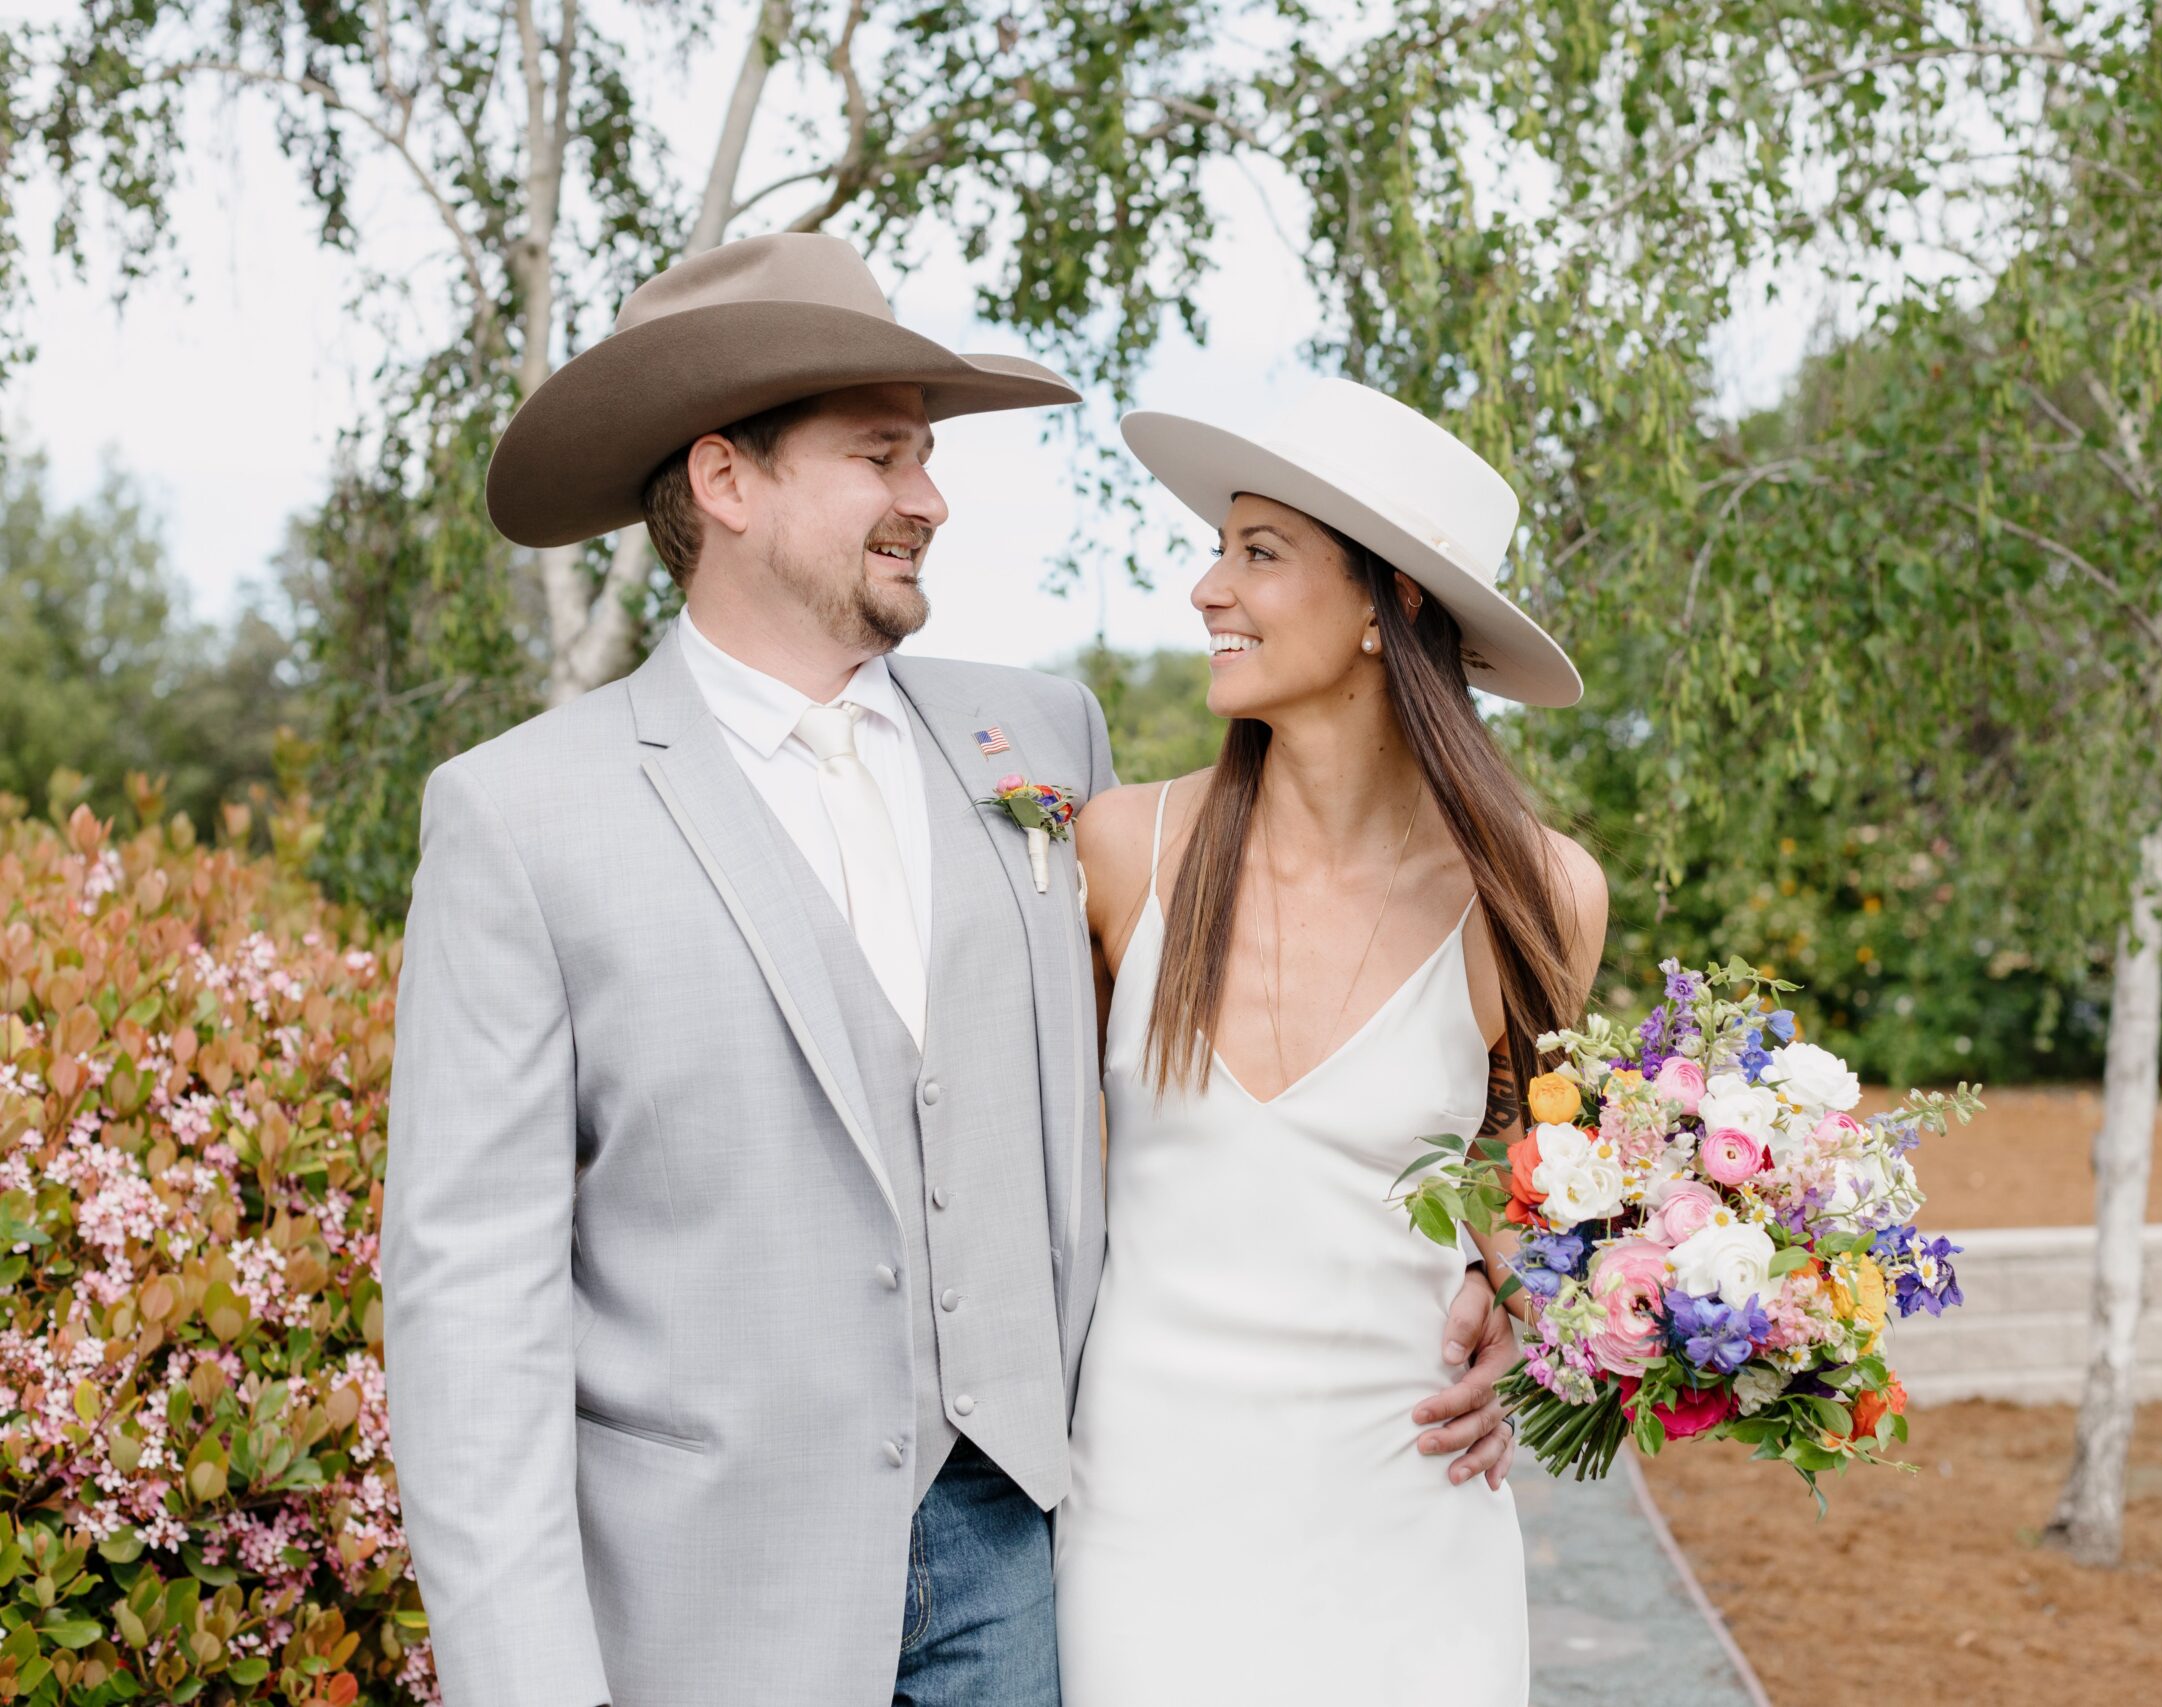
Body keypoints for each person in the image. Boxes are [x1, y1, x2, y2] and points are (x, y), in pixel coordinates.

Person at [382, 235, 1523, 1707]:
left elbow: (1232, 1090)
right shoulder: (522, 816)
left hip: (1034, 1568)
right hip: (718, 1596)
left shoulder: (1045, 746)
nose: (931, 497)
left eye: (926, 456)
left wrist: (1481, 1273)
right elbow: (471, 1303)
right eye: (882, 456)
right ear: (727, 483)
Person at [1055, 377, 1610, 1704]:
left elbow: (1545, 1178)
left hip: (1406, 1524)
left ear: (1389, 603)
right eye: (1215, 548)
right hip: (1144, 1532)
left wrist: (1516, 1307)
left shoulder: (1539, 895)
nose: (1206, 589)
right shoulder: (1124, 854)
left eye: (1259, 552)